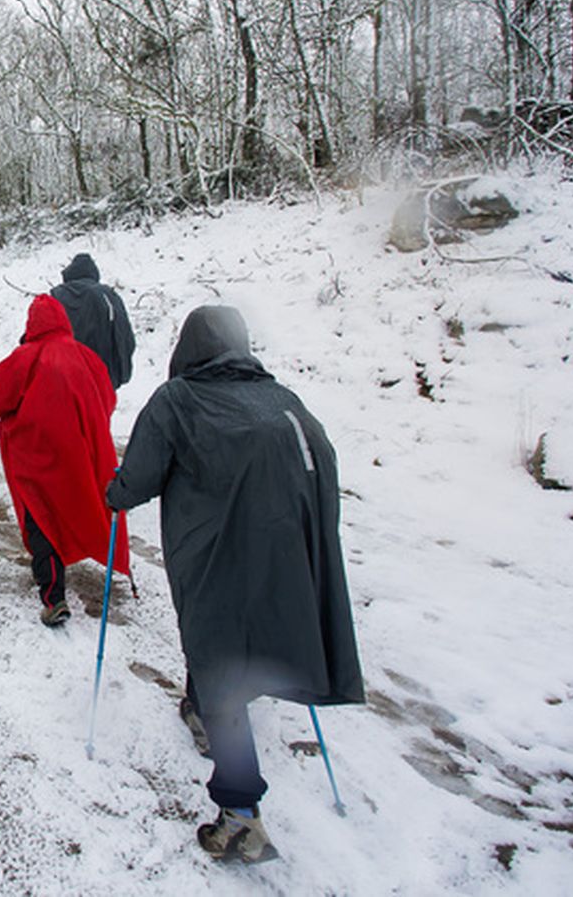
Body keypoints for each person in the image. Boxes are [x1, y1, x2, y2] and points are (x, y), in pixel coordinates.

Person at [106, 305, 363, 864]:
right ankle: (199, 706)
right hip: (286, 554)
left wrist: (114, 493)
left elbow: (141, 476)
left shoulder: (179, 399)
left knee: (220, 658)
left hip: (213, 553)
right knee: (231, 652)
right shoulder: (283, 401)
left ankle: (240, 815)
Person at [0, 294, 130, 626]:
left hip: (38, 454)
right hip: (81, 451)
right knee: (82, 502)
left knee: (42, 515)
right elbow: (107, 399)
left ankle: (54, 597)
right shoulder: (88, 357)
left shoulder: (25, 357)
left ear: (32, 324)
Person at [50, 252, 135, 390]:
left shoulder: (58, 296)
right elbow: (126, 337)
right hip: (105, 378)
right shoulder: (110, 296)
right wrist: (120, 372)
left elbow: (40, 332)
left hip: (65, 378)